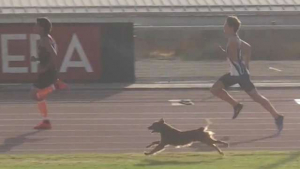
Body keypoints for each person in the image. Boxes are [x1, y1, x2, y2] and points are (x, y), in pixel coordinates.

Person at [210, 16, 284, 133]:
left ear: (231, 27)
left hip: (239, 75)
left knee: (256, 97)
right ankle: (237, 105)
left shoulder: (233, 41)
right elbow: (247, 48)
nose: (223, 27)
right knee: (215, 90)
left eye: (225, 25)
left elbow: (234, 58)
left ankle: (277, 116)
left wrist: (225, 54)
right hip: (237, 74)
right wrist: (246, 64)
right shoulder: (235, 39)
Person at [31, 17, 68, 130]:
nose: (34, 27)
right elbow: (47, 56)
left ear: (42, 27)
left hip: (48, 71)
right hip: (48, 71)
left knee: (35, 94)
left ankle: (54, 86)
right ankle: (46, 121)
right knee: (39, 96)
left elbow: (53, 55)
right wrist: (37, 59)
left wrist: (45, 68)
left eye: (36, 25)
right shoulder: (46, 38)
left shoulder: (45, 39)